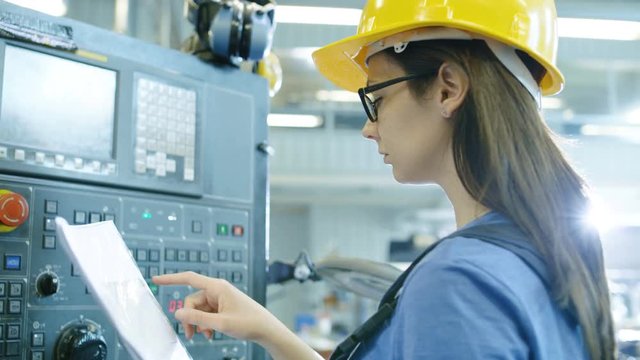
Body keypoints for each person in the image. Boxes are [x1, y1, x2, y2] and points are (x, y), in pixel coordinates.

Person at [153, 0, 617, 359]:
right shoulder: (542, 253)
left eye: (375, 97)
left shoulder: (459, 280)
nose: (368, 126)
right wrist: (267, 330)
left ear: (447, 89)